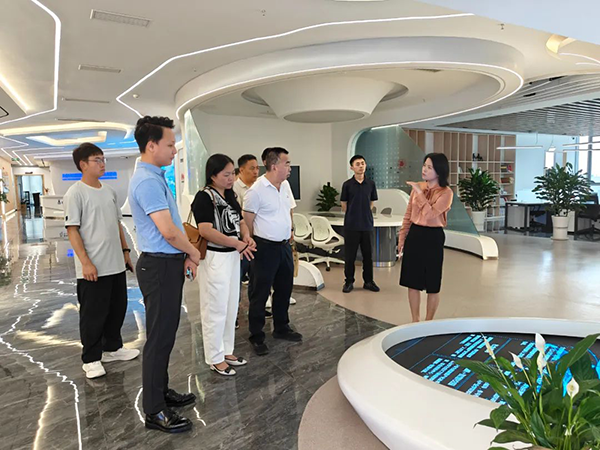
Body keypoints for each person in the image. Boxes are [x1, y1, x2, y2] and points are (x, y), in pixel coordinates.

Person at [129, 116, 200, 433]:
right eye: (170, 145)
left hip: (166, 263)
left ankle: (161, 391)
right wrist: (193, 251)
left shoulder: (154, 177)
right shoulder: (146, 181)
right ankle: (154, 410)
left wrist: (183, 253)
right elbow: (168, 232)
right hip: (158, 266)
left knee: (166, 333)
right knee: (159, 337)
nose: (174, 150)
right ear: (151, 145)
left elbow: (172, 228)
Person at [64, 143, 140, 380]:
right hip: (93, 267)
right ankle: (91, 359)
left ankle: (112, 348)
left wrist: (125, 252)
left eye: (103, 159)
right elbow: (72, 230)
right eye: (97, 160)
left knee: (117, 309)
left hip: (115, 263)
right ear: (83, 165)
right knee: (93, 315)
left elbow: (117, 224)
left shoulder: (109, 191)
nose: (102, 163)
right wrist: (85, 262)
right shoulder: (75, 193)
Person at [192, 154, 256, 376]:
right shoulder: (204, 197)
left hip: (232, 256)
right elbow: (206, 231)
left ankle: (227, 350)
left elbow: (240, 221)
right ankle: (215, 357)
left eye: (232, 174)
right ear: (213, 175)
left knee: (230, 306)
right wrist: (236, 243)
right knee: (215, 308)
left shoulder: (229, 195)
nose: (231, 178)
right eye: (226, 174)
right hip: (215, 258)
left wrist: (245, 236)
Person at [243, 147, 302, 356]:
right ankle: (256, 335)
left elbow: (289, 209)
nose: (290, 167)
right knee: (260, 292)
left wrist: (291, 230)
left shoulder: (285, 185)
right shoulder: (256, 191)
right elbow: (247, 221)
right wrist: (252, 243)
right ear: (274, 165)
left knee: (284, 289)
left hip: (284, 245)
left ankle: (281, 327)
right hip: (264, 248)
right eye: (287, 163)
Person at [398, 153, 453, 322]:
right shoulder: (418, 187)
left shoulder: (446, 193)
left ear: (439, 171)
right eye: (424, 165)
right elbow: (408, 214)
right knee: (412, 281)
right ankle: (415, 320)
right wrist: (402, 237)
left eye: (429, 167)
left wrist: (419, 193)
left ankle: (428, 322)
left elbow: (430, 214)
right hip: (415, 233)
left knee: (432, 283)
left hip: (433, 236)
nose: (424, 170)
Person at [340, 155, 380, 294]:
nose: (361, 166)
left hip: (367, 225)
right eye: (357, 164)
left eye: (363, 163)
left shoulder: (371, 184)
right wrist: (354, 214)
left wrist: (364, 213)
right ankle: (349, 282)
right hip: (351, 225)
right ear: (352, 168)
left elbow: (371, 203)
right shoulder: (347, 185)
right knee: (350, 256)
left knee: (368, 256)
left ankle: (368, 281)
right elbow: (344, 204)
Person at [233, 154, 261, 325]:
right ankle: (235, 313)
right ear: (241, 169)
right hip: (241, 242)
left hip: (257, 240)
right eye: (252, 168)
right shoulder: (234, 190)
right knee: (237, 278)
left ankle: (256, 309)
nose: (256, 172)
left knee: (256, 278)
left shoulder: (259, 187)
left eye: (257, 168)